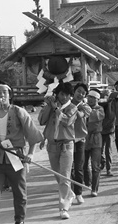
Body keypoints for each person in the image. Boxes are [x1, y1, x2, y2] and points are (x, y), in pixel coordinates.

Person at [0, 81, 43, 224]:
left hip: (16, 157)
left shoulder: (18, 111)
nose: (1, 95)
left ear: (9, 95)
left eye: (4, 92)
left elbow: (32, 134)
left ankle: (19, 220)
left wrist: (31, 154)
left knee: (20, 193)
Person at [38, 82, 77, 220]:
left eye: (67, 94)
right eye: (61, 94)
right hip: (52, 145)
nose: (64, 97)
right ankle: (69, 193)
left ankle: (64, 207)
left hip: (66, 145)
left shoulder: (72, 108)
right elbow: (42, 120)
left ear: (70, 96)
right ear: (57, 94)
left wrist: (56, 109)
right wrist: (49, 107)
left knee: (65, 176)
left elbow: (67, 121)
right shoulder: (51, 105)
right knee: (58, 176)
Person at [70, 83, 91, 205]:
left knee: (78, 167)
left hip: (80, 140)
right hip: (66, 139)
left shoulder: (86, 107)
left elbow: (79, 115)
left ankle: (78, 193)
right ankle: (70, 192)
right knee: (67, 168)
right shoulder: (65, 102)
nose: (80, 94)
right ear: (74, 91)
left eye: (83, 93)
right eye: (79, 91)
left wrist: (71, 105)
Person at [84, 88, 105, 197]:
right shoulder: (83, 107)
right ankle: (88, 182)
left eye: (93, 98)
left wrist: (85, 109)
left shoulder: (100, 109)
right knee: (83, 164)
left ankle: (94, 188)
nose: (91, 100)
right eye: (89, 97)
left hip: (96, 138)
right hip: (84, 138)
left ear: (97, 99)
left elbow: (94, 116)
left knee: (95, 165)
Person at [101, 89, 116, 176]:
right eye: (105, 95)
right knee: (99, 150)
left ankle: (108, 169)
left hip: (110, 130)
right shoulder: (100, 104)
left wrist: (110, 103)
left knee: (108, 151)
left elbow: (111, 116)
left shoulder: (113, 104)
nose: (106, 97)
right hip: (101, 130)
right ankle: (102, 162)